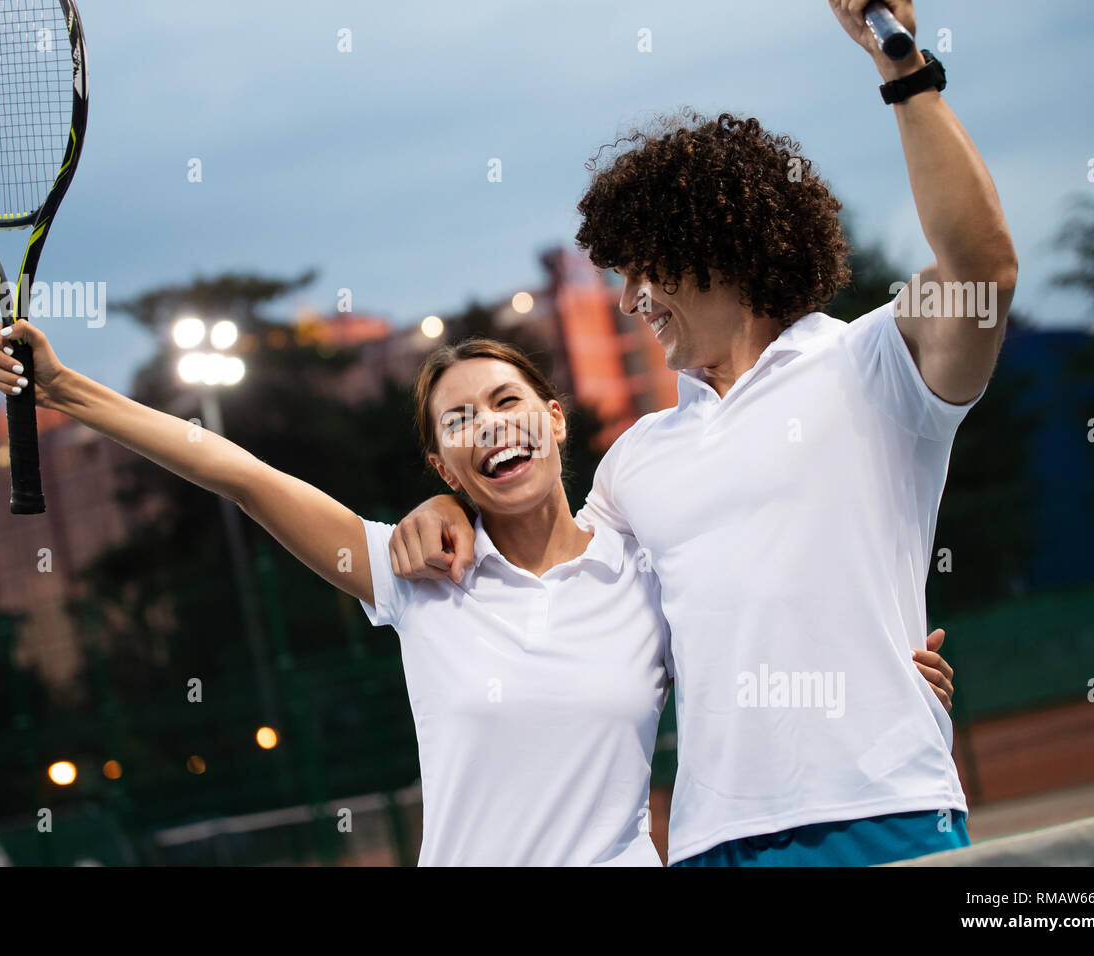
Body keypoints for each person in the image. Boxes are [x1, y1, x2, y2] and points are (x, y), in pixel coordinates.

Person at [386, 0, 1011, 866]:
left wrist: (902, 69)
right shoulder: (635, 463)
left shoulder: (875, 365)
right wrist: (439, 506)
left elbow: (984, 270)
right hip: (710, 846)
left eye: (645, 266)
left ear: (721, 246)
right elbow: (556, 573)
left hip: (882, 812)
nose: (630, 296)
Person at [0, 323, 954, 865]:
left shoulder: (643, 575)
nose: (487, 426)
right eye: (459, 419)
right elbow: (237, 470)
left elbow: (766, 624)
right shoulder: (415, 579)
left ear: (554, 420)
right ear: (440, 459)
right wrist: (69, 391)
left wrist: (893, 675)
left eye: (504, 402)